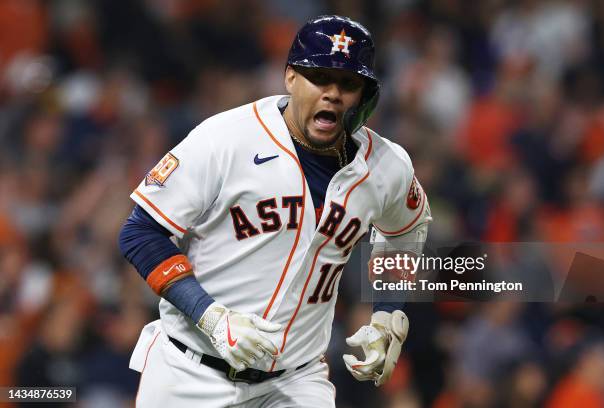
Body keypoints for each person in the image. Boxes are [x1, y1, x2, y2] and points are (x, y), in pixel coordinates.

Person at [119, 15, 432, 407]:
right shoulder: (226, 138)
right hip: (191, 373)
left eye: (348, 83)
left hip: (295, 380)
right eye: (319, 77)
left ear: (365, 94)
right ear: (290, 78)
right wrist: (212, 317)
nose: (332, 94)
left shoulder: (386, 165)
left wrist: (387, 314)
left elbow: (406, 231)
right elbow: (141, 233)